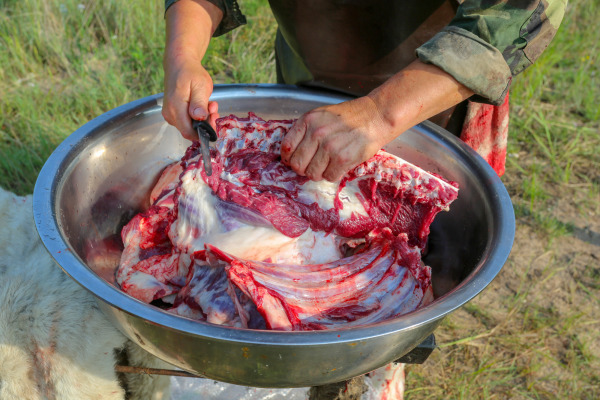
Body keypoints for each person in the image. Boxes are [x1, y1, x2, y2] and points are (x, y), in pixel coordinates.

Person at [161, 0, 566, 181]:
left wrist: (379, 114)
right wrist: (184, 57)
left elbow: (516, 10)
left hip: (437, 96)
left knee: (402, 258)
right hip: (306, 80)